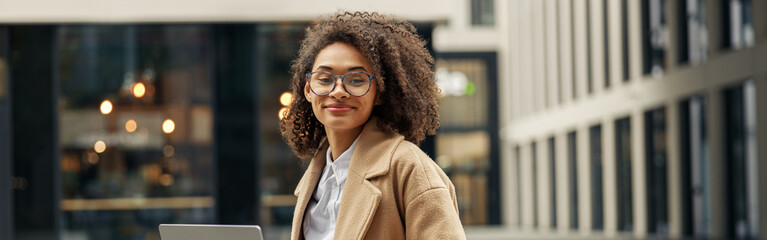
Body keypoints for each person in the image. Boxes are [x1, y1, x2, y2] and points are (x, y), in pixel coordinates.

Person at [280, 11, 466, 240]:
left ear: (379, 93)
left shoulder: (409, 168)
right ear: (308, 89)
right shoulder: (315, 177)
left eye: (356, 80)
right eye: (325, 79)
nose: (338, 91)